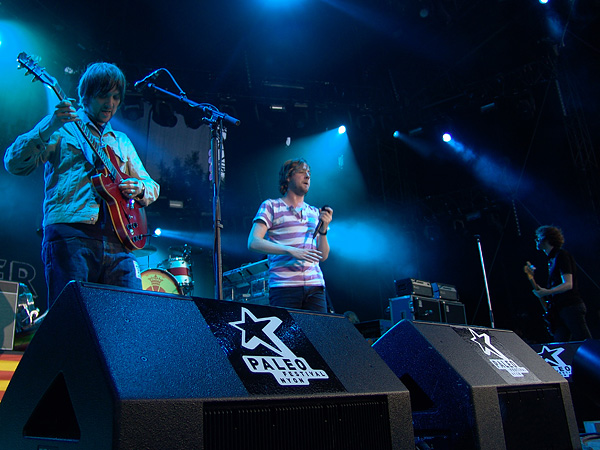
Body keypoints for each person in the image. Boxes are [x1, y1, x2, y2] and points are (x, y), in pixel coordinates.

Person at [4, 62, 159, 310]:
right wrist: (48, 126)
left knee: (130, 318)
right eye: (102, 95)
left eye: (116, 97)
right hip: (71, 236)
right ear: (85, 96)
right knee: (71, 319)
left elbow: (152, 186)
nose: (110, 104)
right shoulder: (61, 129)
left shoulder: (121, 141)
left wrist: (138, 187)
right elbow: (14, 163)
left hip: (119, 242)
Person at [248, 158, 333, 312]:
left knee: (319, 336)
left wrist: (324, 229)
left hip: (315, 288)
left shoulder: (314, 212)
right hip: (284, 287)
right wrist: (291, 250)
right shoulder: (271, 206)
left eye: (309, 173)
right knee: (288, 336)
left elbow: (323, 256)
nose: (307, 176)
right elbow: (253, 242)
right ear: (288, 177)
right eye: (302, 171)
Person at [530, 225, 591, 342]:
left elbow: (568, 284)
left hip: (570, 306)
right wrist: (533, 279)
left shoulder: (561, 255)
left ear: (544, 238)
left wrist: (548, 291)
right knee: (560, 346)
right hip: (559, 308)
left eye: (537, 238)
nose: (536, 241)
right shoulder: (551, 259)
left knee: (584, 342)